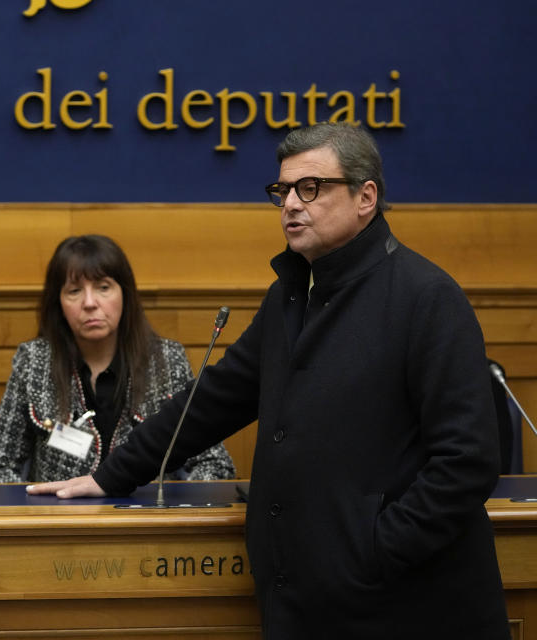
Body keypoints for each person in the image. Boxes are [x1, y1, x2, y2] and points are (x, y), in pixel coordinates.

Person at [29, 125, 509, 638]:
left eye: (312, 188)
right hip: (303, 597)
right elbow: (215, 399)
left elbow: (468, 462)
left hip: (405, 606)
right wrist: (113, 475)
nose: (291, 205)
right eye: (282, 191)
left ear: (365, 196)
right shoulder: (290, 295)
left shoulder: (427, 298)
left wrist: (374, 549)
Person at [0, 234, 235, 483]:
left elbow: (215, 464)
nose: (89, 302)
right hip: (59, 525)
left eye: (103, 287)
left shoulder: (166, 360)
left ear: (125, 294)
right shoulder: (35, 361)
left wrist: (170, 513)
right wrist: (39, 509)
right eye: (74, 291)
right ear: (58, 303)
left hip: (145, 524)